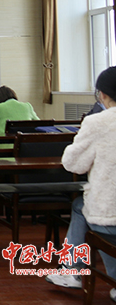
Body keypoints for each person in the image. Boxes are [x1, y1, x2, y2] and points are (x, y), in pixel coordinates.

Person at [46, 67, 116, 298]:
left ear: (102, 94)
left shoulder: (97, 122)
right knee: (83, 206)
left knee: (82, 206)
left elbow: (73, 164)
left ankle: (71, 270)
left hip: (110, 218)